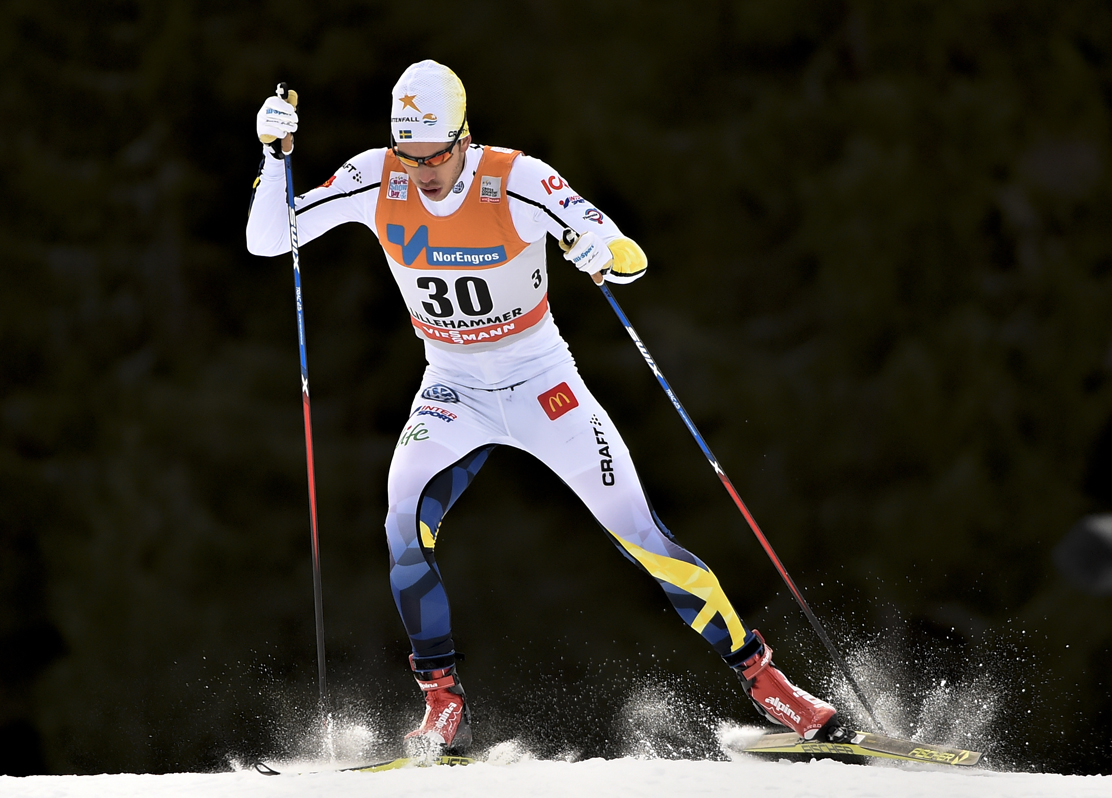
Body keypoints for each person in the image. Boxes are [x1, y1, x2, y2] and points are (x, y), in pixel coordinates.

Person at [246, 60, 845, 752]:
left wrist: (603, 249)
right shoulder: (377, 176)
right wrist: (272, 158)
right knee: (402, 527)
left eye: (436, 154)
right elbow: (269, 237)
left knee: (642, 537)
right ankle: (444, 703)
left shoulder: (518, 180)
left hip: (544, 388)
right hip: (452, 392)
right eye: (410, 155)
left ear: (464, 139)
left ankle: (770, 684)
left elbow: (631, 256)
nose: (423, 171)